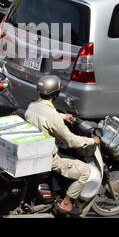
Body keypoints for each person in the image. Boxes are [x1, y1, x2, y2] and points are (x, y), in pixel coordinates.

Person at [24, 75, 100, 215]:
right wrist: (91, 141)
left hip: (34, 151)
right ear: (56, 93)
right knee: (85, 171)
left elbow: (44, 117)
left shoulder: (32, 106)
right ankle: (66, 203)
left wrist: (64, 117)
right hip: (50, 159)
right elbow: (70, 140)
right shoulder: (51, 115)